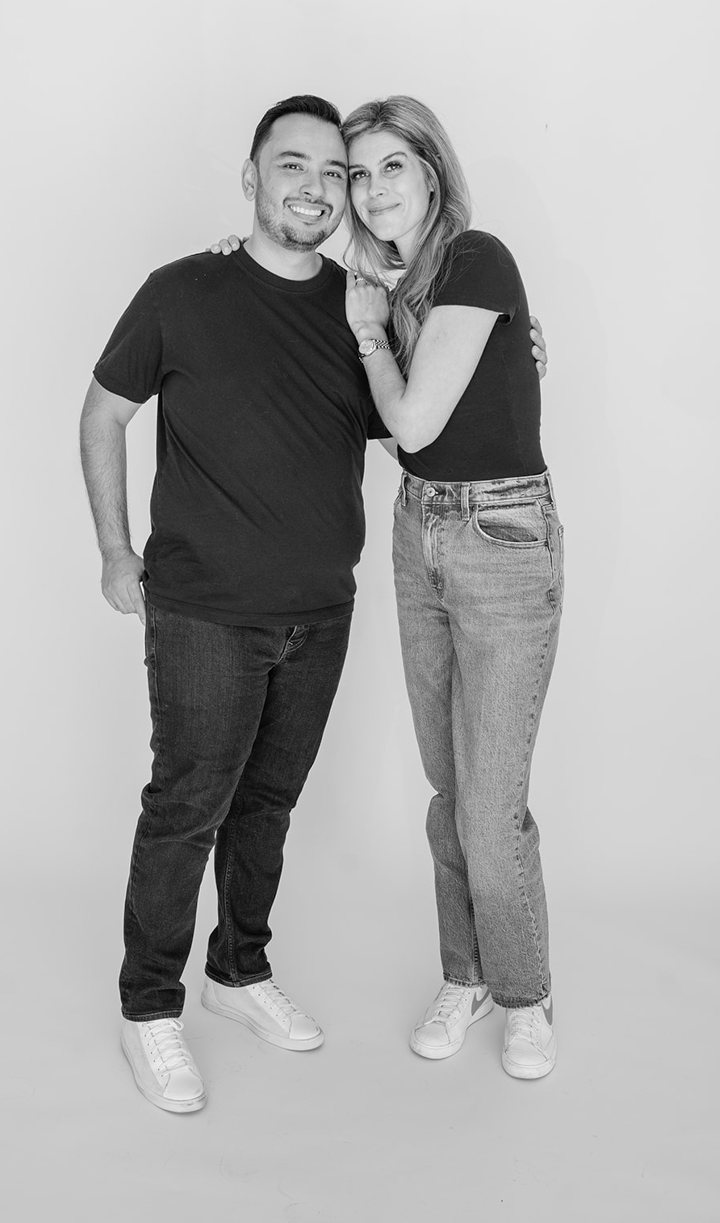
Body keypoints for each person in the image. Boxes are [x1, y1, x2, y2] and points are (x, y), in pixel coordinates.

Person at [80, 95, 549, 1114]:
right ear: (250, 176)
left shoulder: (361, 304)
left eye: (335, 172)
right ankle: (149, 1005)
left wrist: (508, 355)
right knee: (185, 806)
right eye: (290, 165)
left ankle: (238, 971)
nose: (316, 186)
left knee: (267, 807)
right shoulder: (180, 290)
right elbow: (104, 413)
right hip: (203, 606)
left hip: (320, 611)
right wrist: (117, 550)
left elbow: (413, 426)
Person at [341, 96, 563, 1080]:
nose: (373, 188)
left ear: (432, 173)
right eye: (357, 173)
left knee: (487, 802)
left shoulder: (476, 258)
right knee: (446, 788)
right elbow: (393, 435)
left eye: (392, 165)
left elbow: (416, 421)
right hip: (415, 533)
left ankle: (522, 995)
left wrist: (366, 339)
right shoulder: (384, 291)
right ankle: (463, 972)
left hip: (501, 536)